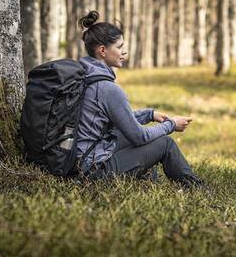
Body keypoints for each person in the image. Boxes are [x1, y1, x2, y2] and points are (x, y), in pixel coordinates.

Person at [76, 10, 204, 187]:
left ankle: (150, 186)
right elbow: (139, 137)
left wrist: (149, 115)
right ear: (103, 50)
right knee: (164, 143)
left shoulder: (84, 76)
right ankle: (197, 190)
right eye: (119, 47)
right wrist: (171, 125)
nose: (124, 51)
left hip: (80, 161)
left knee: (123, 133)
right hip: (92, 172)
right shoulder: (108, 89)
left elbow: (121, 119)